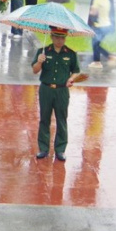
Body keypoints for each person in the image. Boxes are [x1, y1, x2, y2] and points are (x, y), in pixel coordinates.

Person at [31, 26, 82, 161]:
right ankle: (43, 148)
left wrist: (71, 79)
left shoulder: (70, 54)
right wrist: (39, 62)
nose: (60, 40)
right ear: (52, 37)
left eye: (62, 37)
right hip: (46, 89)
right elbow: (35, 70)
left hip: (62, 91)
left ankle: (60, 149)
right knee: (44, 119)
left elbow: (76, 71)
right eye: (57, 37)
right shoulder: (42, 52)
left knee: (61, 119)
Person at [86, 0, 115, 69]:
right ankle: (103, 59)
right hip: (107, 25)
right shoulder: (107, 0)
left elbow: (94, 13)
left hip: (100, 26)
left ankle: (101, 61)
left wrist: (86, 11)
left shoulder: (97, 0)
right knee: (96, 44)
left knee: (95, 44)